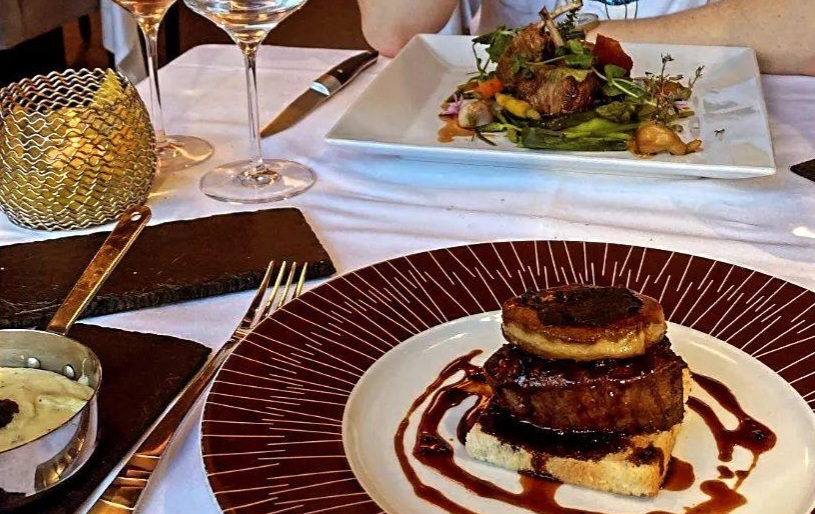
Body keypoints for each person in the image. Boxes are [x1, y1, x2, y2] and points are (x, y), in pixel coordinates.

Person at [357, 0, 815, 76]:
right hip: (495, 161)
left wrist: (578, 38)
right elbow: (392, 29)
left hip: (717, 109)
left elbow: (802, 29)